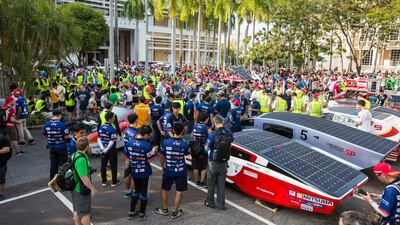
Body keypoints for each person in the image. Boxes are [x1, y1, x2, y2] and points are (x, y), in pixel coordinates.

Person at [155, 122, 190, 219]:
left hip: (169, 169)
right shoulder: (185, 144)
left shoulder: (166, 142)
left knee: (165, 189)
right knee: (179, 190)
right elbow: (187, 154)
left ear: (173, 130)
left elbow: (161, 157)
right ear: (182, 131)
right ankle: (175, 212)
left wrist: (162, 167)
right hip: (181, 170)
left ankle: (165, 209)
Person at [125, 125, 158, 221]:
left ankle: (131, 211)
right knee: (143, 192)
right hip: (144, 171)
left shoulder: (130, 142)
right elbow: (149, 160)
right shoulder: (146, 145)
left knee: (136, 190)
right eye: (149, 135)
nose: (149, 137)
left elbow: (127, 157)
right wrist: (153, 151)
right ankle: (142, 213)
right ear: (145, 134)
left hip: (134, 170)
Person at [204, 115, 234, 210]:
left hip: (213, 161)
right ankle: (221, 204)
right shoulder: (229, 133)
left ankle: (210, 202)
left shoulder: (213, 134)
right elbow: (231, 141)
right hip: (224, 161)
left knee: (211, 183)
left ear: (215, 123)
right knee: (221, 184)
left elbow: (206, 148)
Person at [71, 137, 97, 225]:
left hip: (74, 187)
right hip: (81, 189)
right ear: (86, 147)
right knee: (85, 214)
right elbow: (84, 178)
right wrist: (92, 189)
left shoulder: (74, 155)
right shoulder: (81, 159)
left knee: (76, 211)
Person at [43, 108, 70, 180]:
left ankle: (52, 179)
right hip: (61, 147)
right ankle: (62, 180)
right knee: (63, 165)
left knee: (53, 164)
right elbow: (67, 136)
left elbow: (45, 135)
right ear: (59, 115)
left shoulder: (47, 124)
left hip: (52, 147)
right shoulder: (62, 125)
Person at [98, 112, 120, 187]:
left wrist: (103, 148)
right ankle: (114, 182)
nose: (114, 119)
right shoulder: (112, 129)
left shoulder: (101, 127)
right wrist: (107, 149)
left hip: (103, 149)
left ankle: (104, 181)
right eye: (113, 117)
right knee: (113, 165)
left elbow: (98, 139)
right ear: (110, 119)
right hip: (111, 149)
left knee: (103, 165)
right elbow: (112, 141)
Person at [191, 112, 210, 186]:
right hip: (203, 149)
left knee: (195, 166)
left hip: (194, 148)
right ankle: (202, 182)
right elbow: (210, 137)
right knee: (203, 166)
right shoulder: (206, 127)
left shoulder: (195, 125)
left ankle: (196, 180)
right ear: (206, 119)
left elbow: (192, 134)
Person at [122, 113, 139, 198]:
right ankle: (133, 191)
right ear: (136, 120)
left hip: (127, 153)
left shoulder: (126, 129)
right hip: (134, 154)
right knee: (133, 174)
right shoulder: (136, 133)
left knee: (127, 172)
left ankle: (128, 190)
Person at [0, 135, 11, 200]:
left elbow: (7, 149)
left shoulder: (3, 138)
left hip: (1, 162)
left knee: (1, 178)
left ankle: (0, 193)